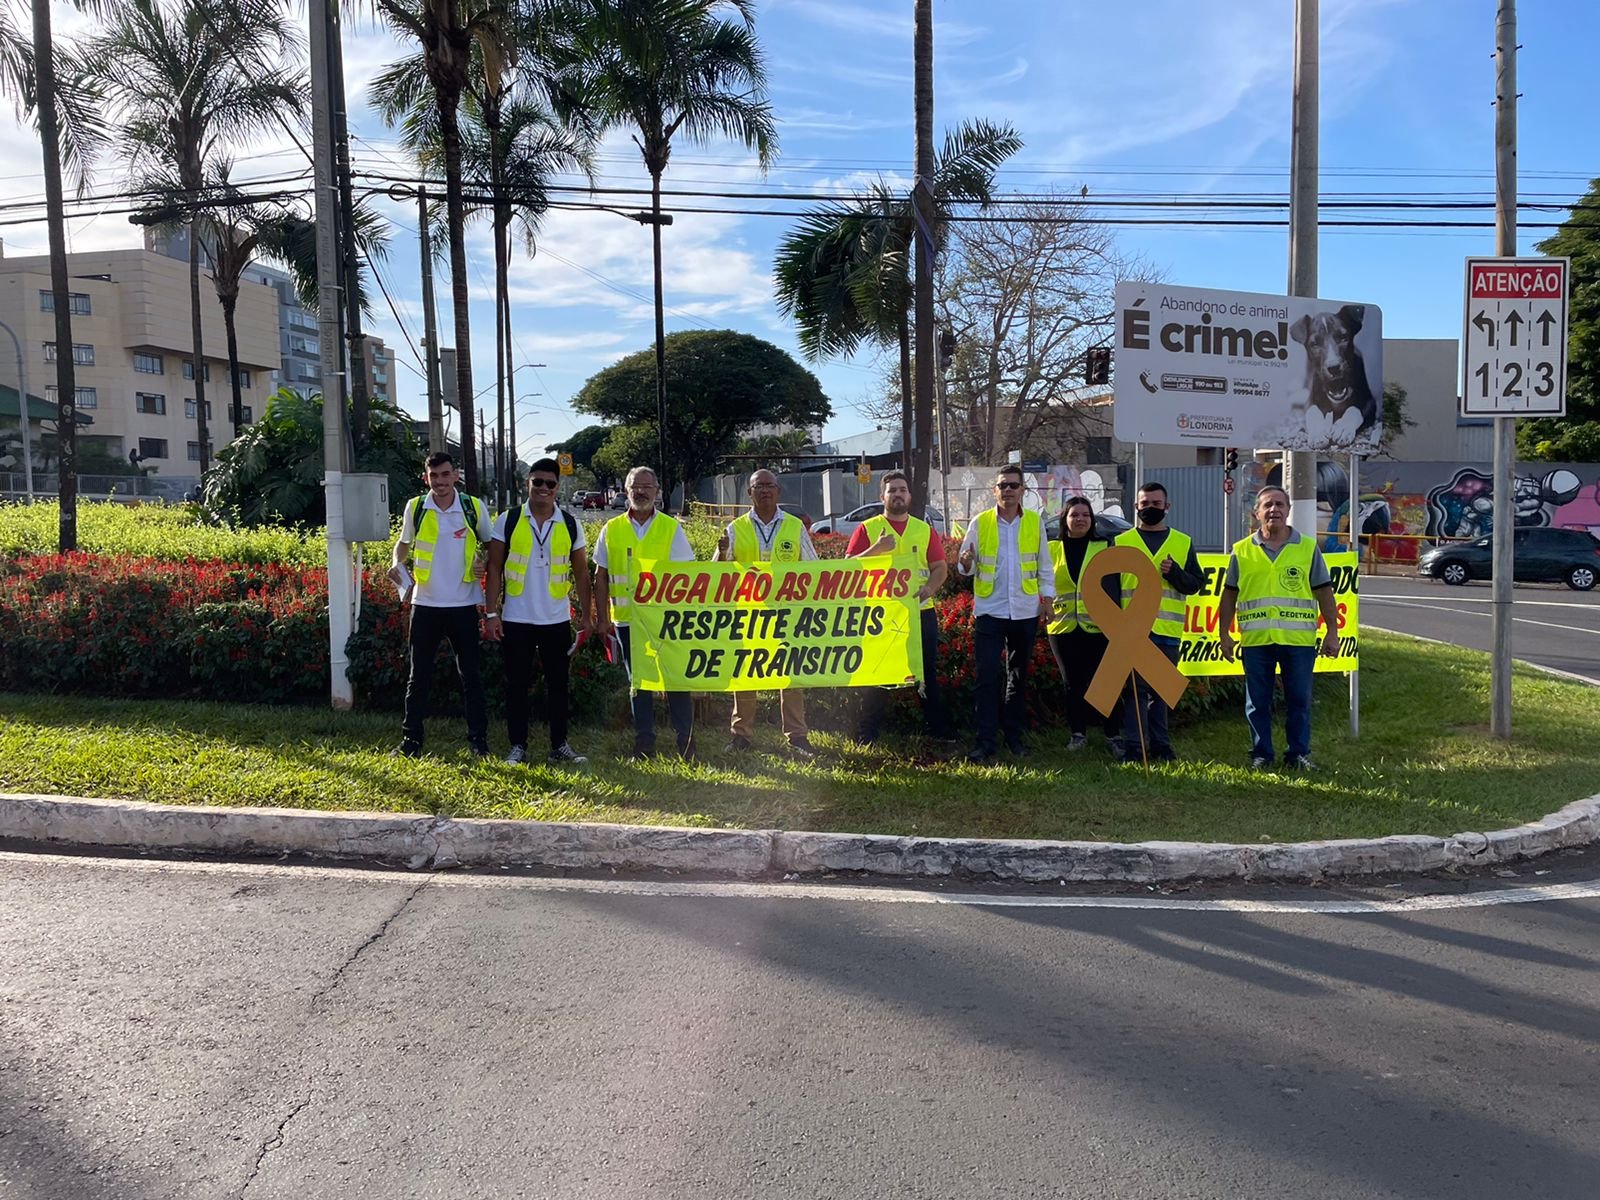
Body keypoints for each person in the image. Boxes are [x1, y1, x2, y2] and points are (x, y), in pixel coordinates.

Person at [1218, 485, 1341, 771]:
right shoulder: (1241, 551)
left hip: (1297, 641)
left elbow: (1324, 592)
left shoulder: (1308, 548)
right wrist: (1224, 635)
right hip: (1256, 641)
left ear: (1288, 510)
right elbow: (1229, 595)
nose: (1274, 509)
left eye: (1279, 504)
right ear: (1256, 512)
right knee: (1256, 703)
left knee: (1299, 701)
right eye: (1267, 505)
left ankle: (1298, 754)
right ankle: (1262, 755)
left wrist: (1332, 632)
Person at [483, 458, 593, 767]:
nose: (543, 488)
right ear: (527, 483)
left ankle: (559, 745)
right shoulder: (509, 519)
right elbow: (493, 567)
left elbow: (582, 574)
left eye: (550, 484)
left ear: (558, 488)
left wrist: (586, 617)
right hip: (516, 619)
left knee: (558, 686)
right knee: (516, 685)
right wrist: (491, 614)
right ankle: (517, 745)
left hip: (556, 619)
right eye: (537, 482)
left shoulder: (570, 523)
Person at [388, 451, 493, 758]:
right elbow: (404, 543)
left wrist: (484, 563)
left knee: (470, 675)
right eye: (434, 476)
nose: (440, 481)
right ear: (426, 478)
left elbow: (490, 544)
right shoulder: (417, 507)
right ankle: (411, 742)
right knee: (417, 675)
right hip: (426, 603)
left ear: (456, 475)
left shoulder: (473, 507)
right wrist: (397, 563)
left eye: (445, 475)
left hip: (463, 604)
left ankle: (478, 741)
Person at [593, 465, 698, 760]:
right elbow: (601, 576)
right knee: (638, 683)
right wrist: (602, 618)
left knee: (676, 680)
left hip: (665, 620)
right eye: (635, 487)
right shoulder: (611, 529)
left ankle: (686, 742)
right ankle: (644, 743)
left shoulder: (670, 527)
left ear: (656, 492)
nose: (640, 492)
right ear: (625, 492)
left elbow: (686, 576)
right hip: (627, 621)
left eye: (646, 487)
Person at [847, 470, 955, 745]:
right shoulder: (868, 529)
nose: (897, 494)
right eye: (892, 490)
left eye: (902, 489)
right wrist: (877, 549)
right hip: (881, 614)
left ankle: (937, 731)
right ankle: (867, 733)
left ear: (909, 495)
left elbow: (940, 568)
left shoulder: (923, 529)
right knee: (878, 673)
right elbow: (848, 568)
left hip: (920, 612)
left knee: (926, 672)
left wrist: (929, 589)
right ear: (881, 496)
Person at [716, 468, 817, 758]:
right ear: (749, 493)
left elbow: (812, 568)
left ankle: (797, 736)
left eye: (769, 486)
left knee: (791, 675)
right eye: (758, 486)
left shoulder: (795, 526)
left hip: (787, 614)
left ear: (778, 491)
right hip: (748, 615)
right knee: (745, 674)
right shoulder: (734, 529)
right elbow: (716, 576)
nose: (764, 491)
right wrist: (723, 554)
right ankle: (741, 735)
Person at [956, 465, 1054, 764]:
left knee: (1018, 676)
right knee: (986, 677)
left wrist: (1048, 599)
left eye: (1014, 485)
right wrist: (966, 561)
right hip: (990, 610)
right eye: (1003, 485)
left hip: (1024, 610)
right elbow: (964, 567)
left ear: (1023, 490)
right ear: (994, 490)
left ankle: (1014, 737)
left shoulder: (1034, 523)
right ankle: (985, 742)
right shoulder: (981, 522)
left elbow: (1044, 565)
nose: (1008, 490)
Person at [1114, 481, 1205, 762]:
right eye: (1145, 504)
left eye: (1156, 504)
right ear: (1136, 507)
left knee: (1161, 693)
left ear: (1167, 507)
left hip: (1167, 630)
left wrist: (1175, 573)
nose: (1150, 508)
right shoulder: (1120, 542)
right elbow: (1110, 588)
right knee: (1135, 692)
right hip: (1133, 631)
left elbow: (1195, 585)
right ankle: (1135, 748)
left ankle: (1162, 747)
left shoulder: (1182, 542)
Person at [1047, 496, 1123, 753]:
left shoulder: (1104, 547)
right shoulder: (1050, 549)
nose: (1080, 519)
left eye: (1085, 515)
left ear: (1092, 520)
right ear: (1065, 520)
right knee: (1073, 684)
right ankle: (1077, 734)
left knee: (1106, 682)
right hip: (1063, 627)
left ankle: (1113, 736)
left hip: (1099, 626)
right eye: (1074, 515)